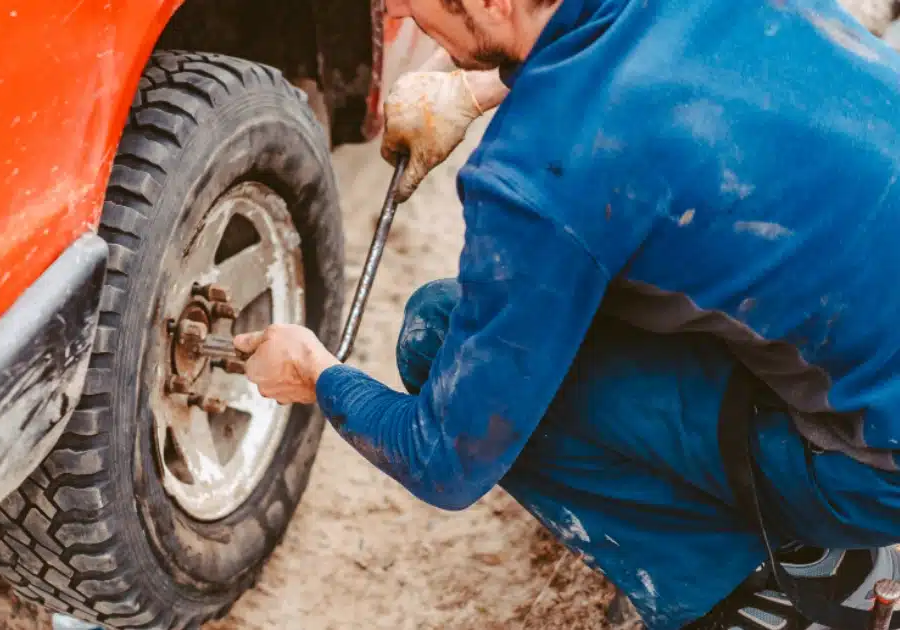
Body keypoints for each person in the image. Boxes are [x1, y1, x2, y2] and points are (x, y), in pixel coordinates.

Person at [232, 0, 900, 628]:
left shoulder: (536, 177)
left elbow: (445, 460)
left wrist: (317, 374)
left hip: (878, 471)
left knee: (439, 338)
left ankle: (757, 595)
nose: (398, 12)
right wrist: (475, 87)